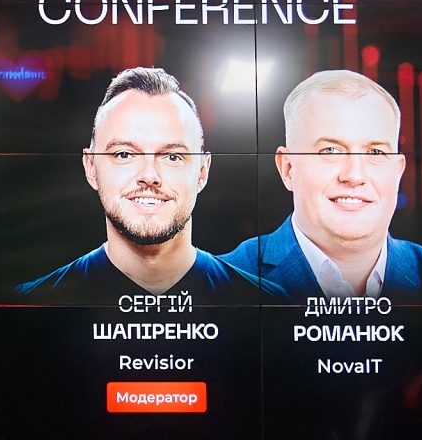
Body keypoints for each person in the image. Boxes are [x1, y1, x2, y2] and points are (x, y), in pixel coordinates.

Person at [227, 69, 422, 299]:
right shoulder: (225, 280)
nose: (354, 175)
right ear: (288, 168)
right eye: (330, 151)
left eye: (375, 152)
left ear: (397, 172)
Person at [18, 67, 254, 301]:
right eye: (124, 154)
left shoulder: (264, 302)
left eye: (172, 157)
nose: (149, 175)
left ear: (202, 172)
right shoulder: (24, 310)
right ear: (91, 167)